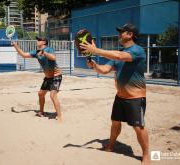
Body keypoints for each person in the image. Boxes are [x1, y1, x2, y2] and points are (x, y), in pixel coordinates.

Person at [80, 23, 150, 164]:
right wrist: (94, 65)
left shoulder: (137, 51)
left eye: (122, 32)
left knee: (138, 127)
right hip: (120, 97)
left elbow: (120, 56)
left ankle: (147, 155)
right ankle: (111, 145)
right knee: (115, 123)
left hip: (135, 98)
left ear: (130, 34)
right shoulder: (119, 54)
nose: (119, 34)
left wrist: (95, 50)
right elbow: (105, 69)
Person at [12, 37, 63, 122]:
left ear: (44, 42)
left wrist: (44, 53)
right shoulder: (36, 52)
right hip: (48, 78)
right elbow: (24, 55)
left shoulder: (49, 49)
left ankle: (59, 116)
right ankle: (41, 112)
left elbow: (53, 58)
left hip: (56, 76)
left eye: (39, 40)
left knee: (52, 95)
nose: (37, 41)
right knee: (40, 94)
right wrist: (16, 46)